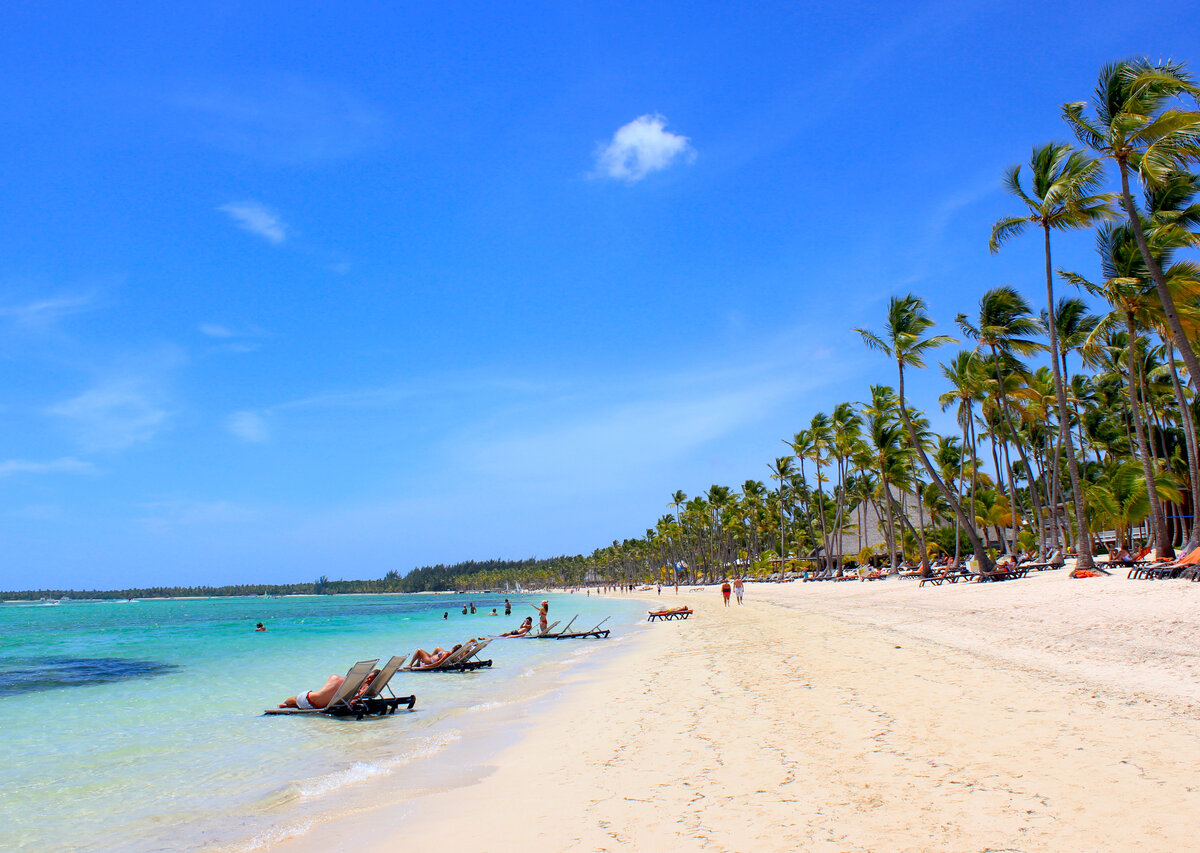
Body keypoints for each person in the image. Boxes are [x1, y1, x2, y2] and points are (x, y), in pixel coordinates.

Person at [278, 669, 379, 709]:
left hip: (308, 699)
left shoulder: (338, 680)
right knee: (295, 701)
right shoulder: (349, 689)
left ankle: (286, 704)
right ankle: (286, 704)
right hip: (308, 701)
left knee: (295, 700)